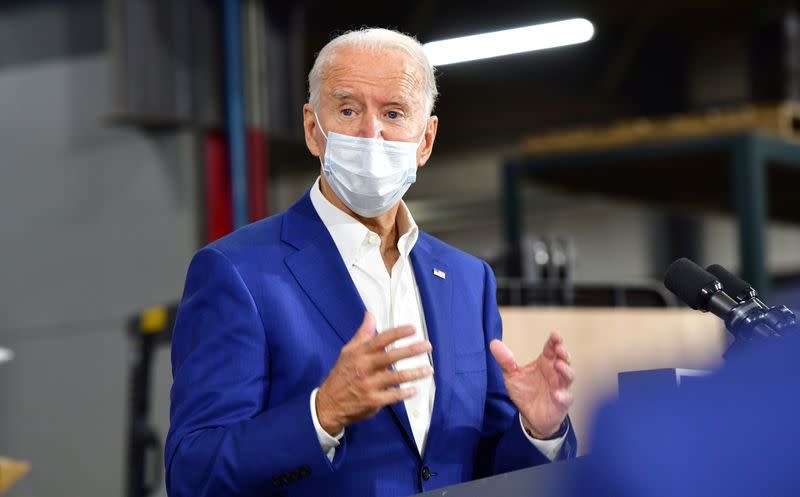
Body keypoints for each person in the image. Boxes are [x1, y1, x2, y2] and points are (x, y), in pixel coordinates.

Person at [165, 28, 577, 497]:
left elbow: (484, 468)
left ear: (426, 139)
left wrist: (538, 432)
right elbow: (193, 473)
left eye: (394, 113)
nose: (371, 132)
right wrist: (322, 414)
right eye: (347, 110)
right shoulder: (237, 273)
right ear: (311, 129)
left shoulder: (466, 279)